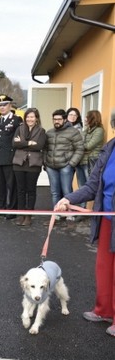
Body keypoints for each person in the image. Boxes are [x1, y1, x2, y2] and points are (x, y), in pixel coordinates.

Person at [54, 113, 115, 338]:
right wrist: (69, 198)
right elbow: (92, 185)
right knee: (104, 267)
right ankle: (104, 310)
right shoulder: (109, 148)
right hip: (107, 218)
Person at [44, 109, 84, 221]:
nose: (56, 121)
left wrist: (71, 164)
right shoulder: (49, 132)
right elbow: (45, 149)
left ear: (65, 119)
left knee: (67, 191)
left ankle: (69, 213)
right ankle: (56, 213)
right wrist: (45, 163)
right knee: (54, 192)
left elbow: (80, 148)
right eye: (54, 119)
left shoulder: (73, 132)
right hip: (51, 166)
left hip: (66, 166)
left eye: (59, 119)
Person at [12, 108, 47, 226]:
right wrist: (28, 143)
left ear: (36, 118)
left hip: (33, 164)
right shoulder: (19, 128)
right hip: (19, 164)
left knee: (31, 190)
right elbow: (14, 144)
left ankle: (28, 216)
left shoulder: (41, 131)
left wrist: (22, 143)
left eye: (32, 117)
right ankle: (21, 214)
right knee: (20, 190)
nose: (29, 119)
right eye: (28, 117)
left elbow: (39, 146)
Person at [0, 94, 22, 219]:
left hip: (10, 158)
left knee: (11, 186)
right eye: (0, 105)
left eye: (5, 105)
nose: (2, 107)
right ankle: (0, 207)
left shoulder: (16, 120)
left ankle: (12, 209)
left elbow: (18, 139)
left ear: (10, 105)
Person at [77, 110, 105, 188]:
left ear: (92, 118)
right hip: (81, 161)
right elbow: (79, 143)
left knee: (91, 187)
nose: (85, 119)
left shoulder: (99, 131)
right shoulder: (86, 130)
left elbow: (88, 146)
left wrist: (79, 146)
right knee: (81, 188)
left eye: (87, 117)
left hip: (90, 162)